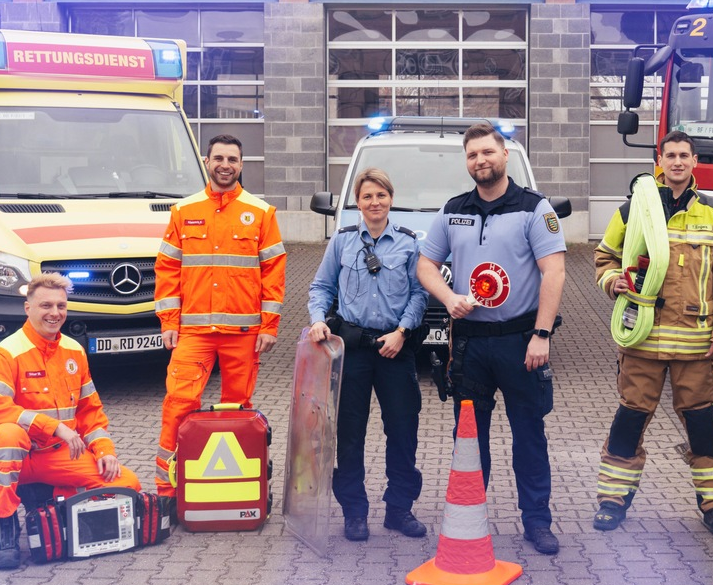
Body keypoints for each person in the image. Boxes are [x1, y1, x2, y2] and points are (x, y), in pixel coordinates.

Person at [416, 122, 567, 555]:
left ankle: (537, 522)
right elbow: (425, 265)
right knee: (468, 437)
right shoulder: (453, 210)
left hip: (521, 343)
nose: (480, 160)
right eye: (472, 155)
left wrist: (541, 334)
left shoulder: (536, 209)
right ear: (466, 162)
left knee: (529, 435)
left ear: (505, 156)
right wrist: (448, 298)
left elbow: (554, 272)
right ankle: (468, 520)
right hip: (469, 347)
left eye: (487, 152)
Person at [591, 130, 713, 537]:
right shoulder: (634, 209)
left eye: (684, 156)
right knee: (628, 421)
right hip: (642, 339)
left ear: (695, 162)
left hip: (695, 347)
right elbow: (604, 256)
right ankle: (612, 500)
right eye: (670, 155)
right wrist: (612, 282)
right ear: (660, 161)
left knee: (704, 428)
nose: (677, 162)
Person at [0, 273, 141, 570]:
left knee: (128, 483)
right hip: (12, 458)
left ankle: (46, 498)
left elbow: (90, 412)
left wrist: (105, 452)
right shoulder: (7, 353)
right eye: (46, 305)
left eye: (61, 306)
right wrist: (54, 426)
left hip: (56, 457)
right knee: (9, 434)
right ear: (28, 308)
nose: (55, 313)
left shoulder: (74, 351)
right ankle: (5, 528)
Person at [153, 134, 287, 498]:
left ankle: (232, 485)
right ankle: (168, 489)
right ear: (207, 162)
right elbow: (167, 268)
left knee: (238, 410)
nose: (225, 165)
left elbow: (273, 273)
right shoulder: (184, 211)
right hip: (193, 332)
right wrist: (168, 321)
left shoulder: (261, 212)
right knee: (179, 403)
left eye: (232, 158)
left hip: (243, 331)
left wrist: (269, 326)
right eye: (218, 158)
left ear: (241, 165)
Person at [307, 167, 429, 542]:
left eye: (381, 195)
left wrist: (403, 332)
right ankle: (355, 513)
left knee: (403, 432)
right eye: (367, 197)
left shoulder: (410, 243)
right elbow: (321, 287)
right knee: (349, 436)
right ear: (357, 203)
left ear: (391, 198)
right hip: (353, 351)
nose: (374, 202)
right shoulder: (342, 241)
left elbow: (420, 294)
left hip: (395, 350)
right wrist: (317, 320)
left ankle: (399, 509)